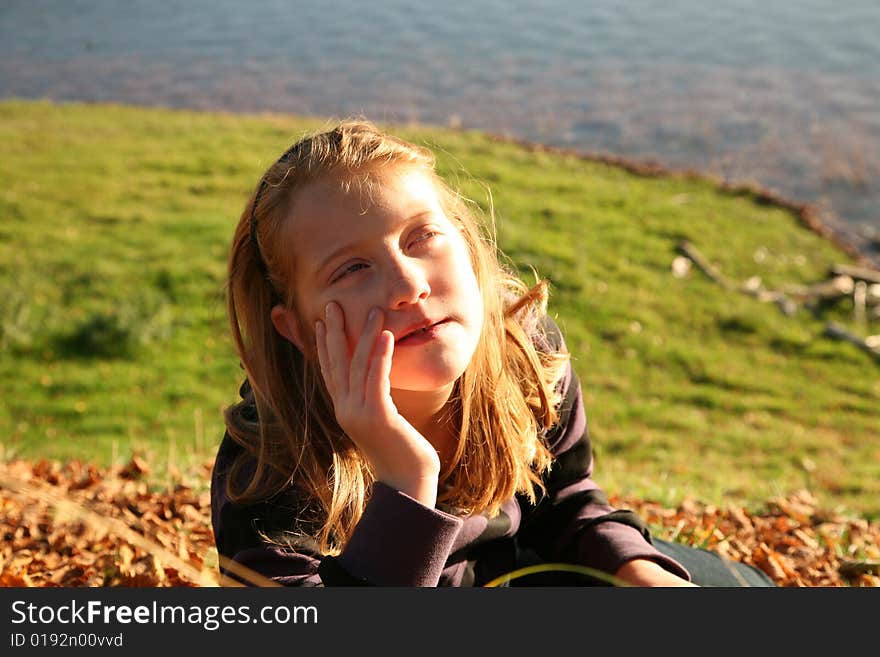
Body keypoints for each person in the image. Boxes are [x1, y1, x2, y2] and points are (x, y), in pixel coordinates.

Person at [210, 119, 774, 587]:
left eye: (421, 237)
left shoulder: (523, 350)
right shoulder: (267, 465)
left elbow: (564, 502)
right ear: (300, 331)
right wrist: (406, 483)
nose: (409, 284)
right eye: (352, 269)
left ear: (466, 244)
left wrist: (643, 573)